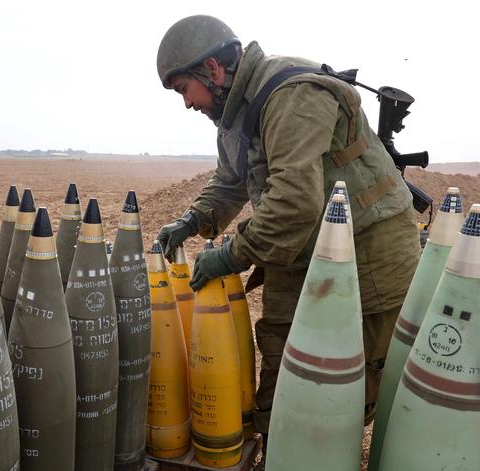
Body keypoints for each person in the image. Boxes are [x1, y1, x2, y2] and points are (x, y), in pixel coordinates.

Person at [155, 15, 421, 441]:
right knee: (280, 354)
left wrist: (229, 256)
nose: (187, 102)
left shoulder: (290, 95)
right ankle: (279, 451)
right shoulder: (234, 115)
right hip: (297, 250)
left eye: (184, 89)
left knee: (353, 376)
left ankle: (324, 454)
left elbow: (293, 203)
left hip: (368, 252)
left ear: (213, 70)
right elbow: (229, 181)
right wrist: (192, 220)